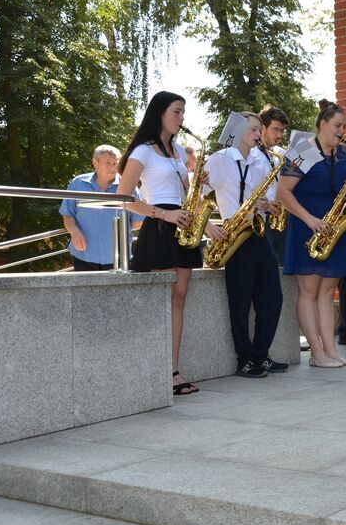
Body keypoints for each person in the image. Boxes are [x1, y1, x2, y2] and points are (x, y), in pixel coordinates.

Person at [118, 91, 223, 395]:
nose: (181, 118)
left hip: (184, 229)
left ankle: (173, 372)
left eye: (183, 113)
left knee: (179, 299)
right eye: (177, 112)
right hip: (160, 226)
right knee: (160, 301)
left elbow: (191, 195)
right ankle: (152, 370)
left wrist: (208, 224)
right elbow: (125, 199)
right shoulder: (143, 151)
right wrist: (164, 214)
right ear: (160, 113)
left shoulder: (178, 152)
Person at [276, 99, 346, 368]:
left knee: (327, 293)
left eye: (344, 126)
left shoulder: (344, 154)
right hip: (307, 226)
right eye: (337, 125)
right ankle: (316, 352)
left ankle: (330, 350)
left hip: (333, 227)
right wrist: (309, 219)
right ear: (322, 124)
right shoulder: (303, 151)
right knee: (309, 291)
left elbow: (343, 187)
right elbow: (282, 193)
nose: (342, 130)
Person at [203, 112, 286, 378]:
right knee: (239, 301)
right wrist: (208, 227)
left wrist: (269, 203)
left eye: (258, 130)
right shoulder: (219, 160)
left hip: (258, 232)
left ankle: (261, 354)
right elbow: (195, 196)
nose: (258, 134)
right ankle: (245, 359)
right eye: (253, 129)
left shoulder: (262, 159)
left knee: (272, 296)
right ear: (238, 130)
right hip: (234, 233)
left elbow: (271, 195)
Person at [60, 145, 143, 271]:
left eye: (115, 163)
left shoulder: (128, 187)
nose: (112, 167)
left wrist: (119, 229)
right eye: (108, 163)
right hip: (84, 254)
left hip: (118, 256)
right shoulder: (78, 183)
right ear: (95, 162)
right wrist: (74, 232)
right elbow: (68, 214)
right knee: (85, 291)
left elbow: (139, 220)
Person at [257, 105, 289, 268]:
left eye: (282, 131)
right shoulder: (251, 154)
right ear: (263, 127)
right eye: (276, 130)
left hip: (280, 218)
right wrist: (267, 203)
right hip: (260, 219)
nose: (279, 135)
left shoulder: (281, 154)